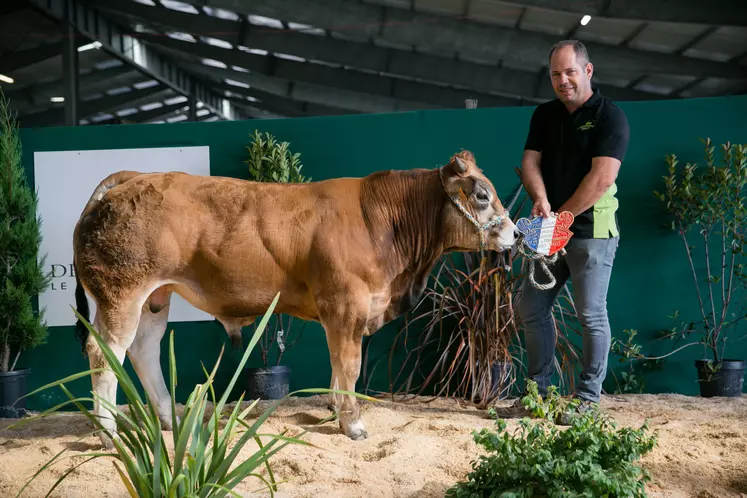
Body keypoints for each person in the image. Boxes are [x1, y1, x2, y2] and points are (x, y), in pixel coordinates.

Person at [496, 39, 630, 424]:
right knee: (531, 307)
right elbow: (530, 161)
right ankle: (538, 394)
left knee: (591, 314)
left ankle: (587, 399)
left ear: (587, 71)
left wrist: (562, 217)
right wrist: (540, 199)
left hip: (592, 232)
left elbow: (602, 178)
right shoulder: (545, 115)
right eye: (555, 74)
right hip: (551, 230)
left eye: (570, 72)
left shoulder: (610, 116)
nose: (563, 80)